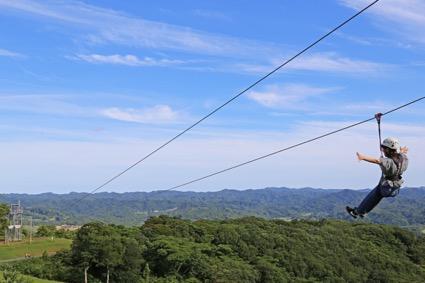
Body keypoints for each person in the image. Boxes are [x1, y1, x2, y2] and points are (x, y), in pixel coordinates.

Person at [346, 137, 409, 218]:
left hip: (387, 188)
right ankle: (361, 211)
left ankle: (358, 212)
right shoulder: (404, 158)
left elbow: (377, 161)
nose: (382, 150)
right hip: (396, 188)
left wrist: (363, 157)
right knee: (376, 196)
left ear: (388, 149)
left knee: (375, 194)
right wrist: (402, 151)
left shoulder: (388, 162)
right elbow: (400, 155)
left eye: (383, 149)